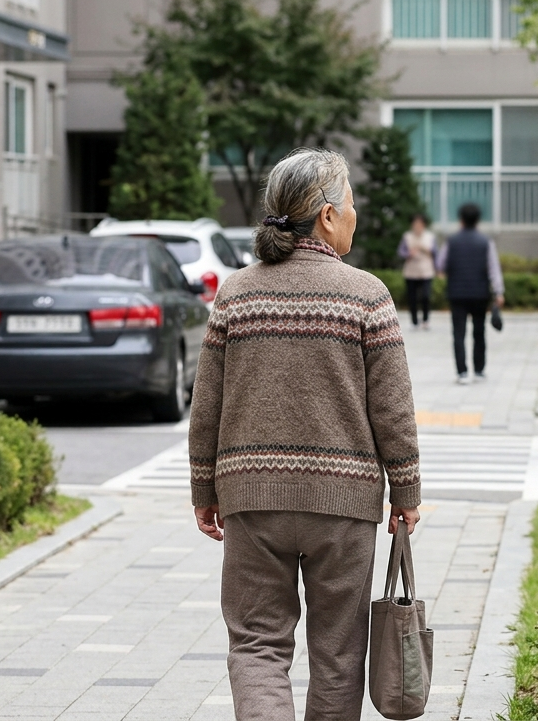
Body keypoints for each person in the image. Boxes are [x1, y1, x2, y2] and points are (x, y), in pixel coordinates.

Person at [188, 148, 422, 721]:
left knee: (256, 644)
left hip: (251, 498)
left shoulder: (236, 294)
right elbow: (393, 411)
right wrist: (406, 492)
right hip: (343, 507)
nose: (355, 214)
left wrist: (204, 490)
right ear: (326, 215)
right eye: (351, 203)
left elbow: (206, 406)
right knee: (339, 653)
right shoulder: (367, 295)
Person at [436, 203, 504, 385]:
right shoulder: (485, 242)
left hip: (457, 293)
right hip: (480, 294)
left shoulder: (452, 241)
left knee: (458, 333)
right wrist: (498, 292)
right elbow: (493, 269)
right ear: (478, 220)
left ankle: (462, 372)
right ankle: (479, 370)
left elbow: (441, 265)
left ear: (461, 220)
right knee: (479, 331)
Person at [397, 213, 436, 329]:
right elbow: (401, 252)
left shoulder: (430, 237)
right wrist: (409, 253)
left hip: (426, 271)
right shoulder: (407, 236)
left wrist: (424, 249)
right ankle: (414, 321)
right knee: (412, 297)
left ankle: (425, 319)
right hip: (411, 271)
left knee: (425, 296)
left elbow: (435, 253)